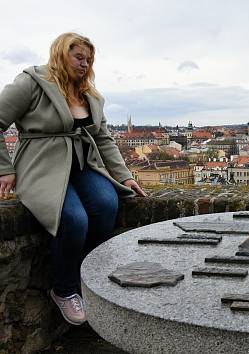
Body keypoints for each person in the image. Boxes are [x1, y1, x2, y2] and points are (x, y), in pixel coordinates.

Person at [0, 33, 147, 326]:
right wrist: (5, 168)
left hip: (82, 164)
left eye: (89, 59)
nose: (85, 64)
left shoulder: (88, 94)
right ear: (60, 53)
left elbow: (103, 139)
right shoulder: (32, 82)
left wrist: (125, 177)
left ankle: (87, 278)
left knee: (107, 205)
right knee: (74, 220)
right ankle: (65, 289)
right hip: (41, 166)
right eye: (78, 57)